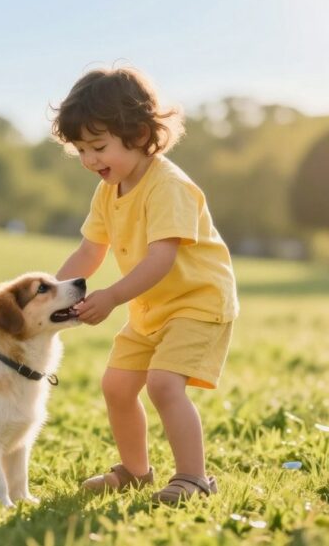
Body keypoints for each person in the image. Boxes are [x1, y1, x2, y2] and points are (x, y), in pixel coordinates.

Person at [52, 66, 238, 504]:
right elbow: (88, 252)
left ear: (137, 133)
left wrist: (113, 297)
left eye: (98, 146)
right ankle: (136, 472)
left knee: (163, 384)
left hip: (198, 302)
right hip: (151, 307)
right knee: (116, 386)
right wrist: (46, 294)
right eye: (81, 150)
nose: (90, 160)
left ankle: (193, 479)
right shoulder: (108, 190)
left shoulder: (168, 186)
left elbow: (162, 258)